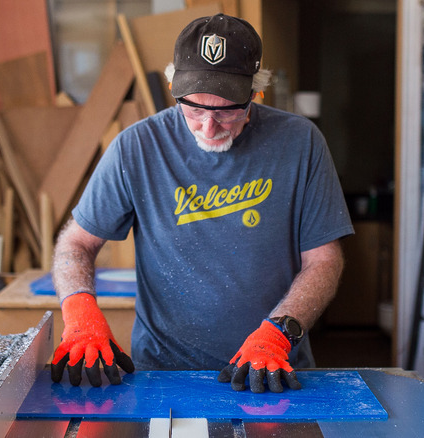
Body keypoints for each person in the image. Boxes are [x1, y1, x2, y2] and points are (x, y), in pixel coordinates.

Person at [49, 13, 353, 393]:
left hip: (272, 371)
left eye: (226, 110)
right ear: (174, 87)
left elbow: (324, 260)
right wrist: (79, 311)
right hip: (164, 376)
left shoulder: (300, 144)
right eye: (193, 109)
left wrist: (280, 331)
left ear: (255, 92)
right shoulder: (137, 148)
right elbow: (76, 242)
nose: (208, 128)